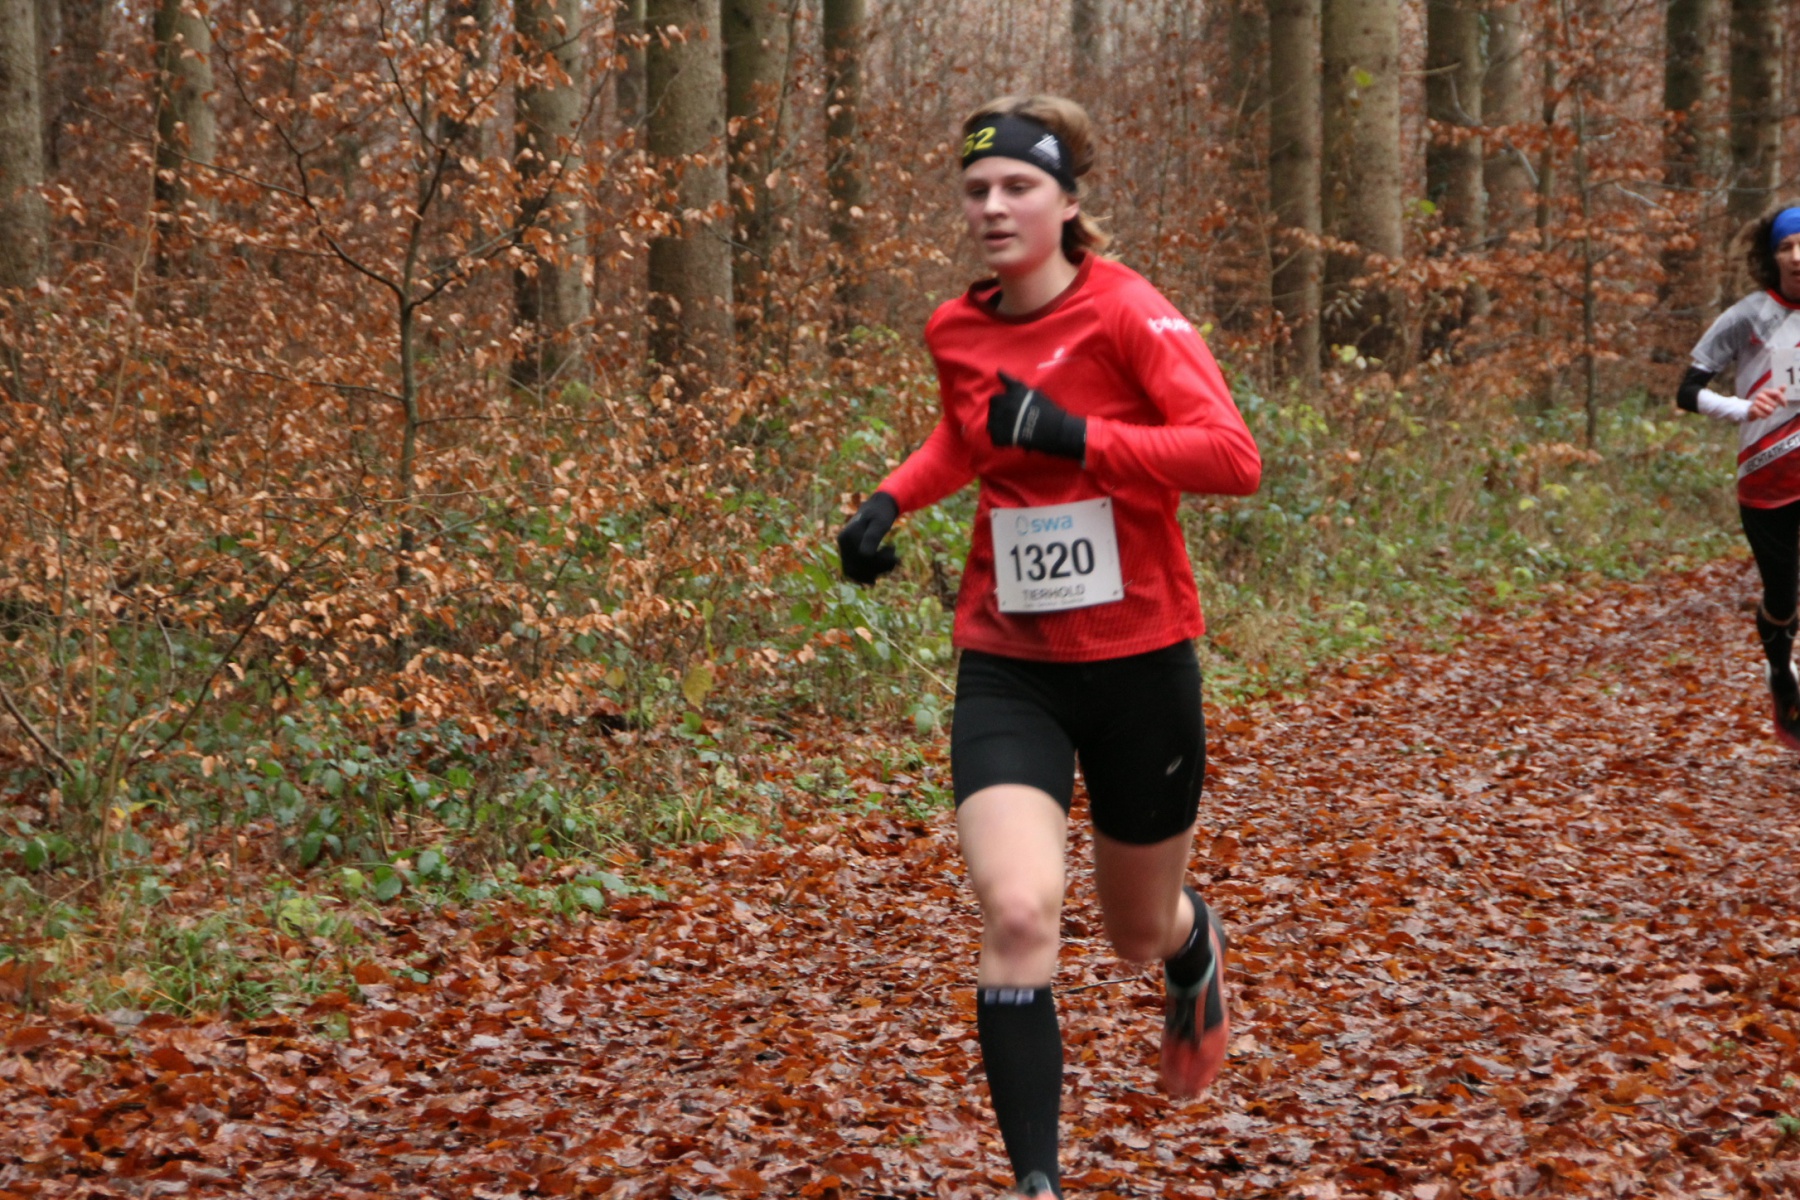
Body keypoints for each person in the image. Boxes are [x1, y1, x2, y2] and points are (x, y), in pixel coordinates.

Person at [834, 95, 1262, 1199]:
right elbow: (964, 436)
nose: (993, 206)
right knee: (1020, 913)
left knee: (1134, 931)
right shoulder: (957, 328)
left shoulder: (1127, 313)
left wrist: (1081, 438)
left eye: (1018, 186)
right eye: (976, 189)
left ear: (1068, 203)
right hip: (1010, 663)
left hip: (1138, 661)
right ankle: (1038, 1183)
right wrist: (890, 500)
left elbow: (1230, 456)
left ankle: (1191, 945)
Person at [1678, 205, 1800, 750]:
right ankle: (1780, 671)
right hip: (1765, 479)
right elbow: (1688, 390)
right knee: (1783, 598)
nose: (1797, 257)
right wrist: (1742, 407)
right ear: (1771, 258)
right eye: (1786, 247)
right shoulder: (1748, 316)